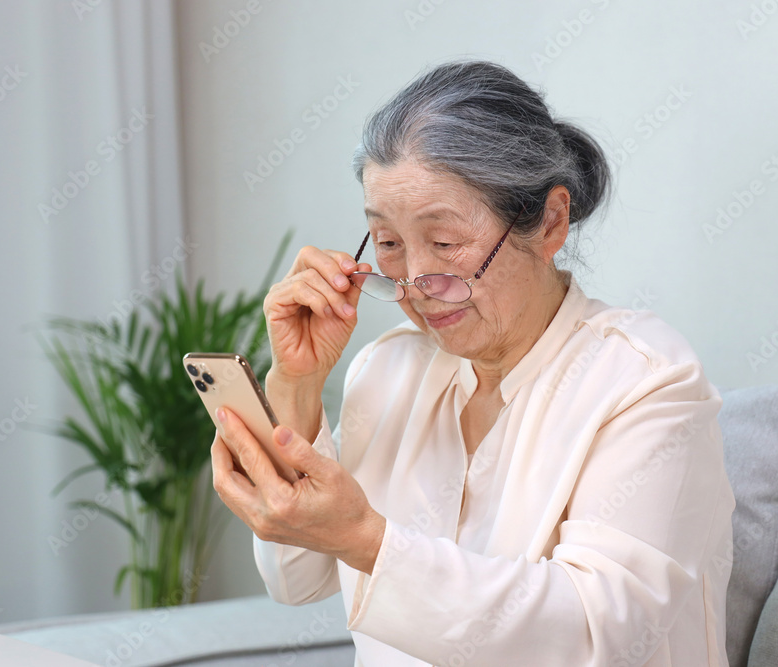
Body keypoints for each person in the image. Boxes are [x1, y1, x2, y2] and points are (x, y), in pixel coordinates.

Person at [211, 60, 735, 667]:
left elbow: (596, 634)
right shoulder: (386, 369)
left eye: (444, 242)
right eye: (388, 243)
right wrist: (296, 383)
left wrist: (366, 540)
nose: (415, 281)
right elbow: (295, 580)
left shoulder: (645, 380)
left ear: (550, 222)